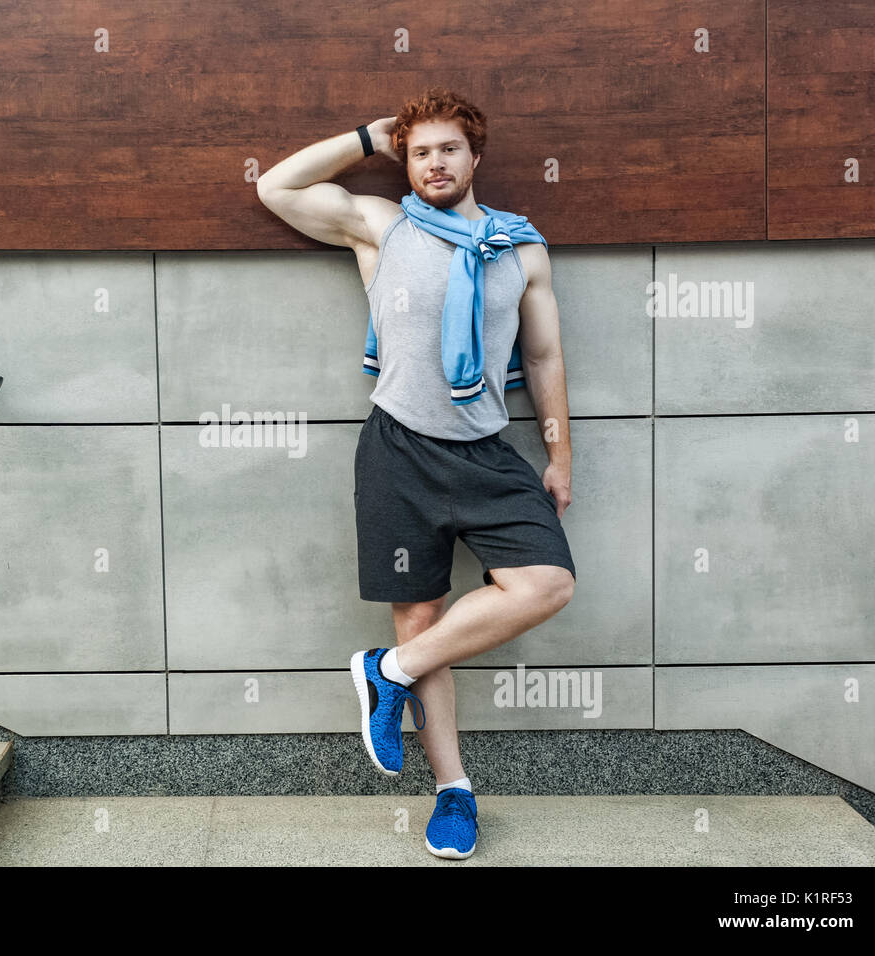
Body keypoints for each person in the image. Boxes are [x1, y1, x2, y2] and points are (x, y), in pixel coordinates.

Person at [256, 87, 577, 860]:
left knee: (547, 584)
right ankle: (453, 794)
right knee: (420, 618)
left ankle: (384, 673)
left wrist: (560, 451)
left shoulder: (520, 249)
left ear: (476, 157)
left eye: (449, 149)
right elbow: (275, 186)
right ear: (408, 160)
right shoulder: (382, 225)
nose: (435, 163)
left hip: (487, 451)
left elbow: (541, 357)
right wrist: (370, 134)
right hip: (399, 448)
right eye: (421, 150)